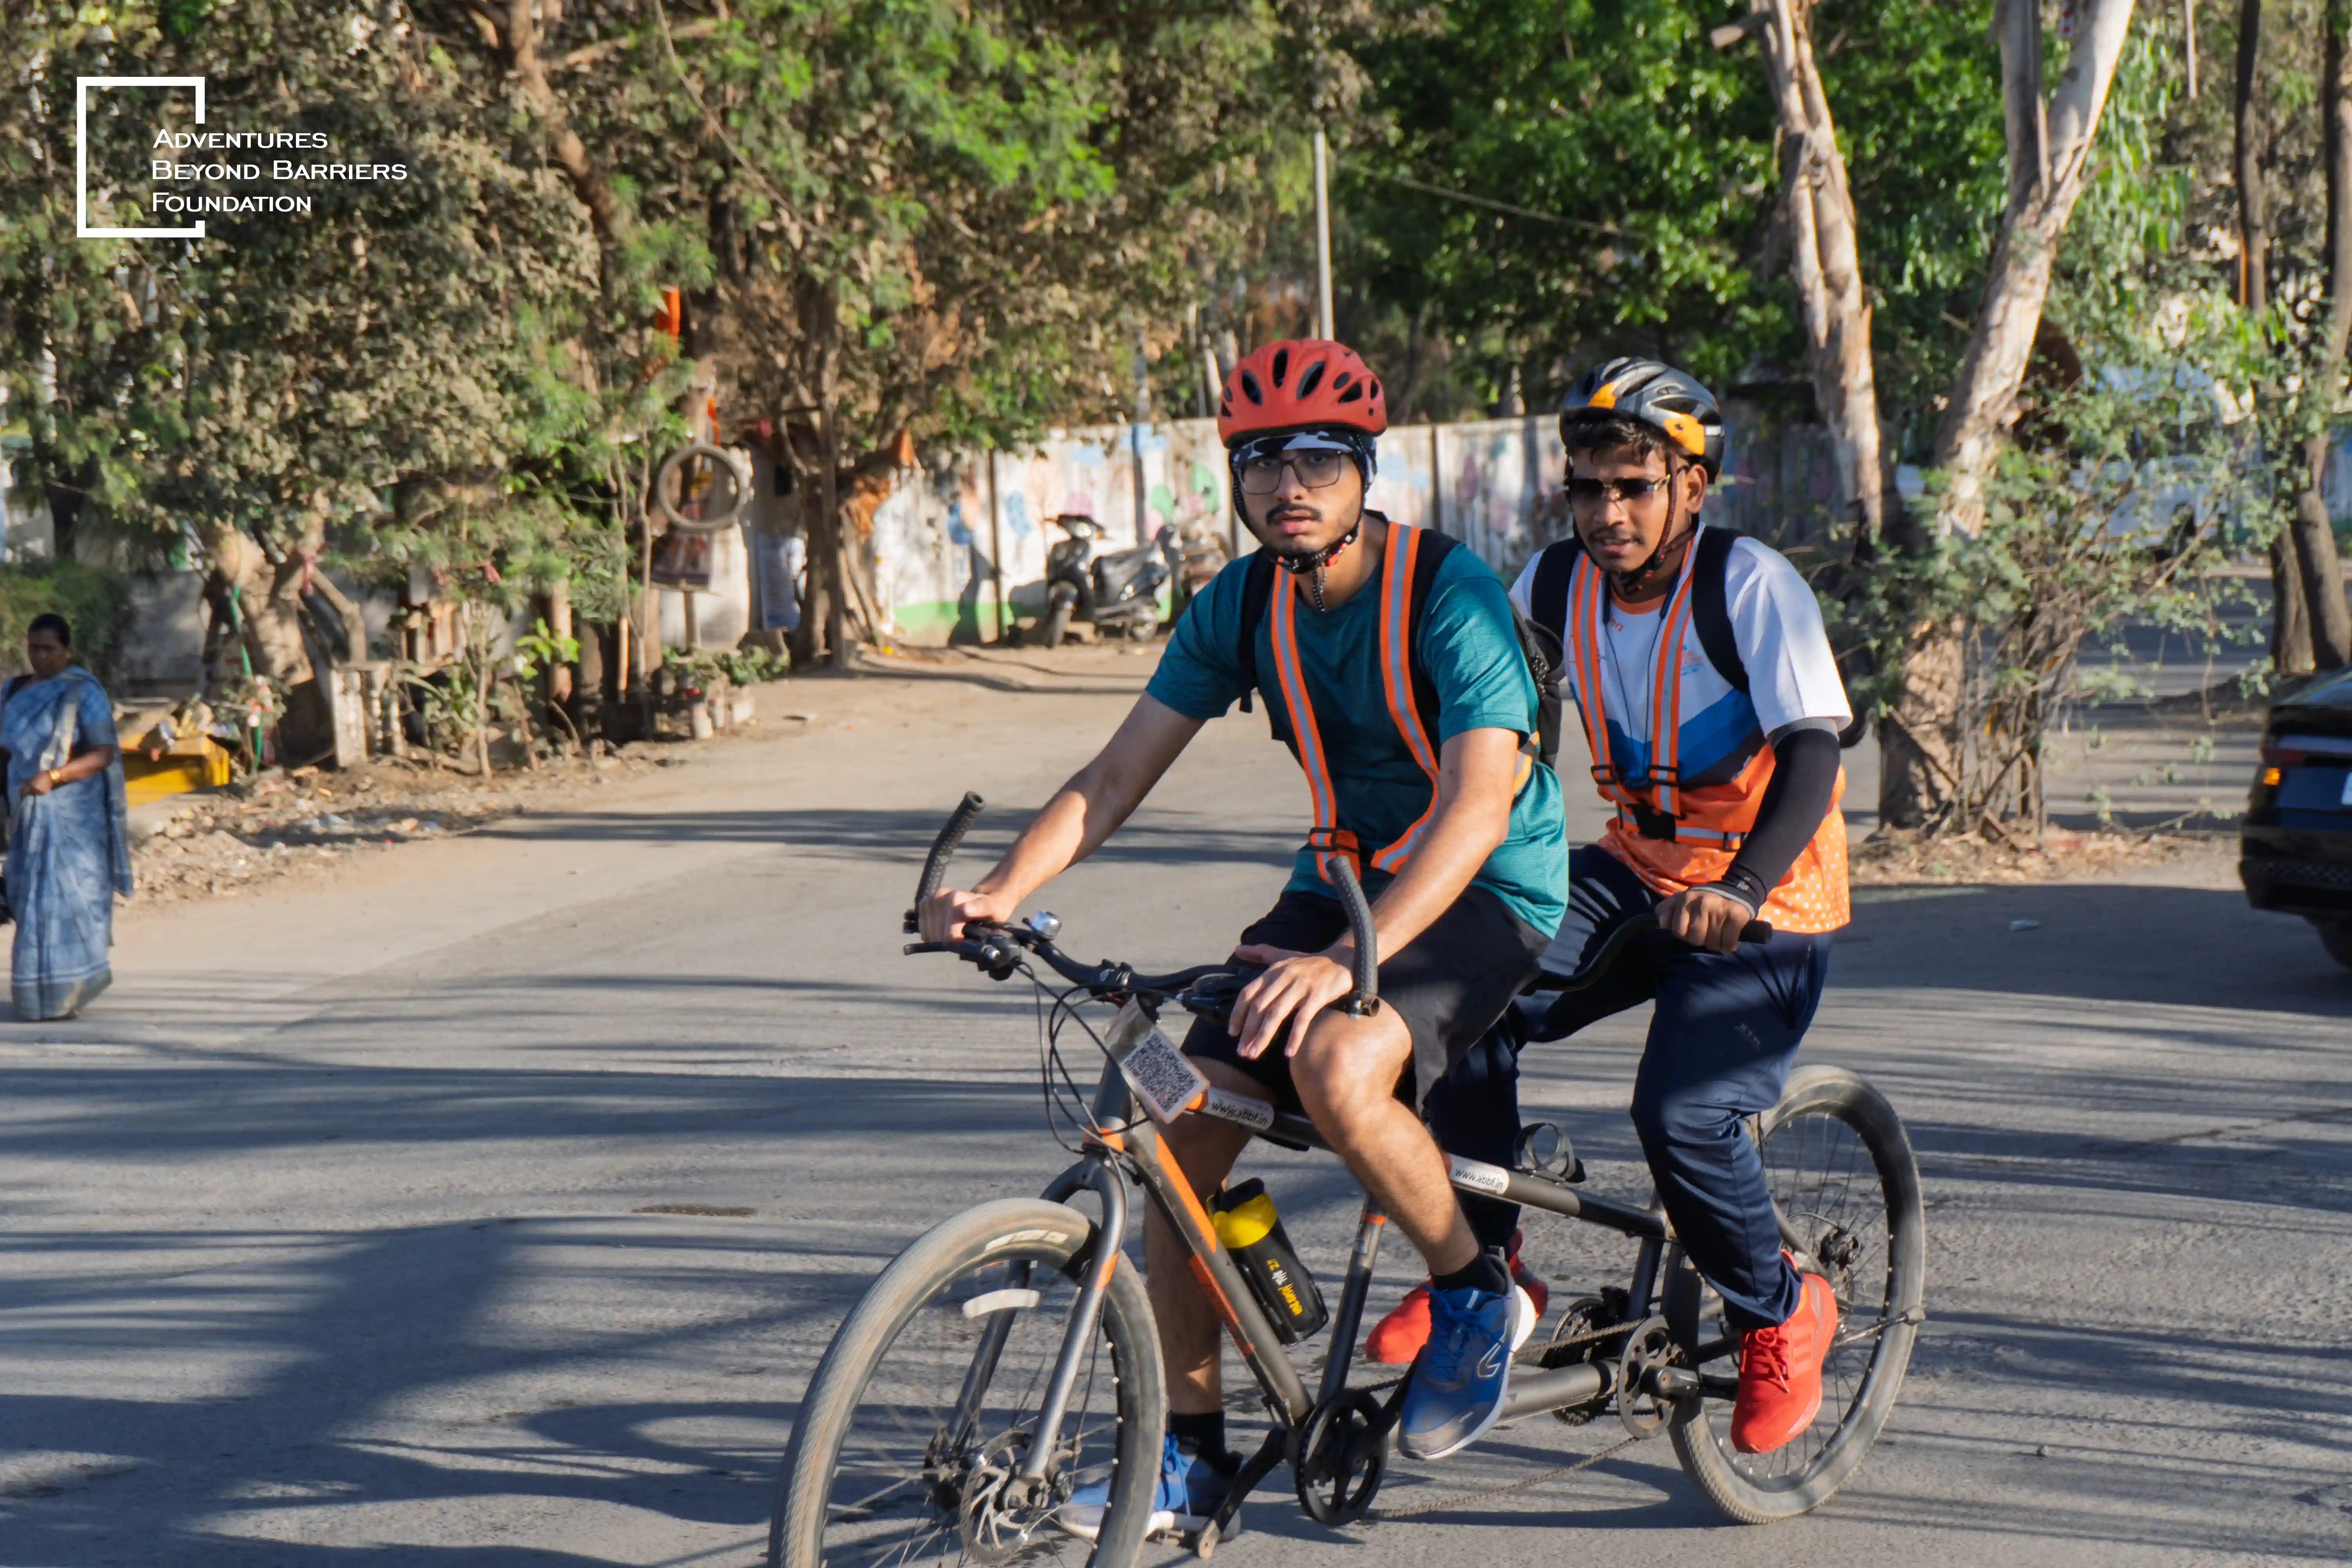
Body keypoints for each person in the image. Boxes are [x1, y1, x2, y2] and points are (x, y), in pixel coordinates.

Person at [919, 338, 1566, 1539]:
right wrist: (1001, 887)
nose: (1290, 484)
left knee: (1334, 1064)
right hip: (1341, 883)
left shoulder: (1446, 591)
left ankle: (1475, 1290)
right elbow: (1114, 774)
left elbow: (1479, 806)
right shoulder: (1236, 603)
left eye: (1320, 458)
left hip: (1483, 885)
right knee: (1172, 1121)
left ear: (1363, 470)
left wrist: (1339, 971)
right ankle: (1189, 1456)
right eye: (1262, 459)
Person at [1363, 358, 1853, 1457]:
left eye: (1634, 485)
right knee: (1446, 1009)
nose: (1607, 511)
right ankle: (1487, 1273)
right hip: (1634, 868)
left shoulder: (1752, 585)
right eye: (1588, 488)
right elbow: (1501, 739)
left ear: (1694, 485)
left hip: (1765, 897)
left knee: (1681, 1114)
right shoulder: (1548, 587)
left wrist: (1740, 886)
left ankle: (1781, 1309)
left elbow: (1814, 752)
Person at [0, 613, 133, 1020]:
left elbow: (103, 752)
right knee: (28, 899)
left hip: (71, 814)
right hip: (24, 814)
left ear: (67, 651)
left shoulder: (81, 692)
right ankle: (38, 992)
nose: (41, 657)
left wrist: (54, 776)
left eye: (50, 650)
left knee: (66, 901)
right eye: (35, 648)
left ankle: (65, 992)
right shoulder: (11, 691)